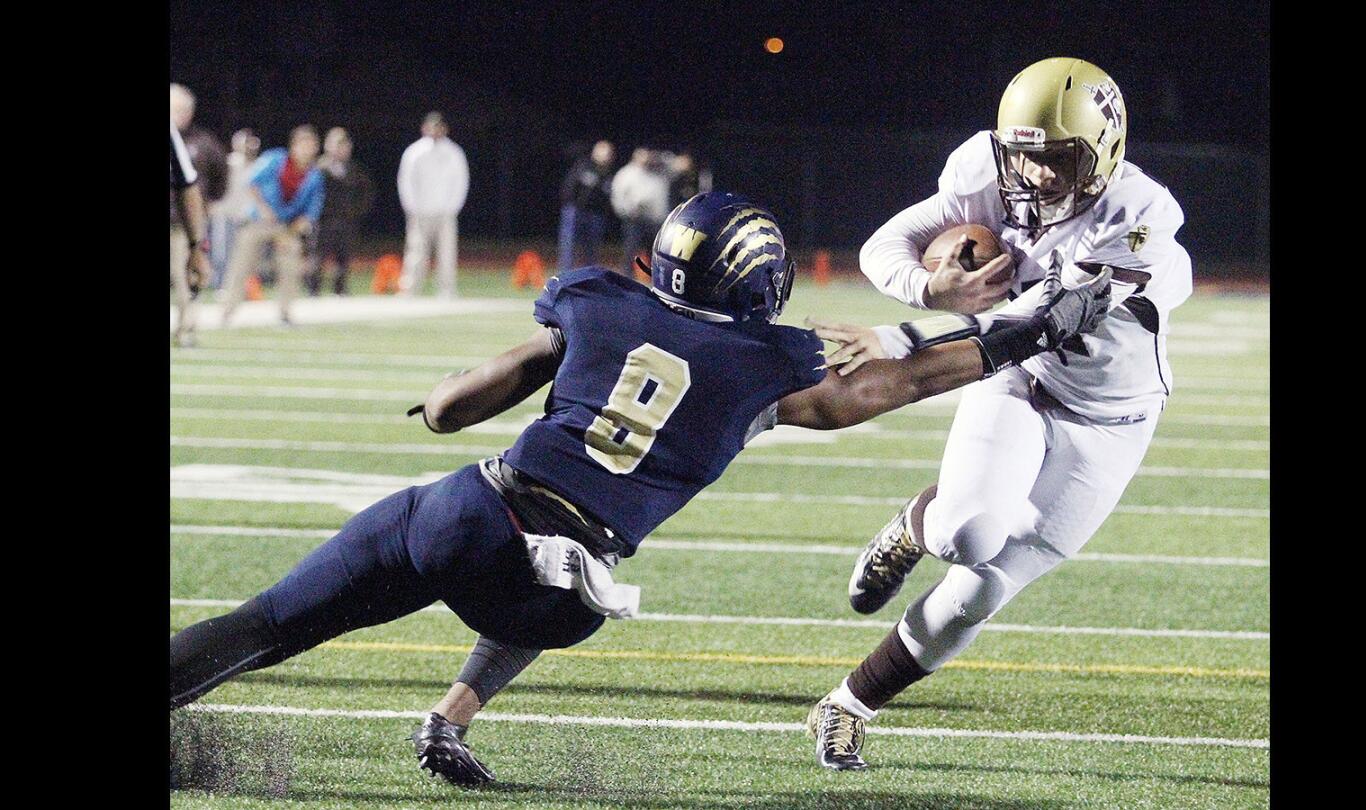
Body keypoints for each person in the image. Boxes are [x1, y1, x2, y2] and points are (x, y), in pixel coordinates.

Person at [168, 191, 1110, 788]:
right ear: (762, 287)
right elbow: (893, 384)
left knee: (270, 624)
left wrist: (447, 400)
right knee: (563, 569)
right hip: (562, 586)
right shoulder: (762, 363)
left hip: (466, 509)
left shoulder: (596, 299)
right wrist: (1021, 333)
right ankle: (452, 716)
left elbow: (457, 407)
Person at [800, 57, 1193, 771]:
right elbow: (881, 247)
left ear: (1102, 154)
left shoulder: (1140, 218)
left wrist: (895, 338)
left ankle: (846, 704)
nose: (1034, 175)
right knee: (966, 534)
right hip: (1017, 382)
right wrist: (931, 288)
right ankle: (923, 521)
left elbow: (1042, 321)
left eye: (1056, 159)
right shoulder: (985, 169)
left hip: (1112, 418)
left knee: (981, 589)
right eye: (1023, 155)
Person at [221, 125, 326, 326]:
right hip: (259, 222)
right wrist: (263, 209)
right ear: (294, 145)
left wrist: (293, 230)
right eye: (304, 144)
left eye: (311, 146)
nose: (308, 150)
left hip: (286, 227)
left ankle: (285, 313)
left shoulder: (314, 176)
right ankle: (227, 311)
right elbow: (251, 182)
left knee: (290, 264)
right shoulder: (275, 159)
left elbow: (311, 212)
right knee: (241, 264)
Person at [398, 112, 469, 298]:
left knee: (447, 253)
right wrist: (411, 207)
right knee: (416, 252)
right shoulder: (414, 152)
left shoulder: (454, 152)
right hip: (420, 211)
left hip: (445, 211)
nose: (435, 130)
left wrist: (453, 207)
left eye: (439, 126)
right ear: (424, 128)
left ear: (444, 129)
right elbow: (406, 181)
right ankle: (410, 289)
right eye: (432, 126)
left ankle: (446, 289)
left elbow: (461, 181)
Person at [308, 127, 374, 296]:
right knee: (318, 257)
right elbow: (309, 195)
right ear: (328, 146)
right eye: (337, 144)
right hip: (324, 221)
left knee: (343, 258)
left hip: (347, 221)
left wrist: (356, 211)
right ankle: (313, 291)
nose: (341, 148)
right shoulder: (318, 168)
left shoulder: (354, 170)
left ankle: (340, 290)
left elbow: (366, 193)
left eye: (344, 144)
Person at [169, 119, 214, 347]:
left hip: (175, 224)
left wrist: (196, 246)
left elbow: (188, 186)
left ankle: (186, 328)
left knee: (183, 282)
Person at [212, 128, 262, 290]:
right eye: (245, 142)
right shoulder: (230, 163)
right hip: (227, 213)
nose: (249, 145)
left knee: (244, 255)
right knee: (223, 253)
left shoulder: (258, 165)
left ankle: (243, 286)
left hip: (248, 216)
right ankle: (222, 286)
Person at [556, 140, 615, 273]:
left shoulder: (609, 174)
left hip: (595, 215)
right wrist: (570, 205)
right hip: (576, 211)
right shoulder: (583, 166)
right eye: (603, 153)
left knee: (592, 249)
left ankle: (589, 278)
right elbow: (569, 187)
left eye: (608, 154)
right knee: (569, 247)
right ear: (595, 153)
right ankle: (564, 277)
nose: (605, 156)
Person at [609, 148, 672, 269]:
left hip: (654, 220)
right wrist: (626, 211)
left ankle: (657, 279)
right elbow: (617, 195)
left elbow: (676, 164)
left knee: (656, 252)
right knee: (630, 250)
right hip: (634, 219)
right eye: (642, 156)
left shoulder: (658, 172)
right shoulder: (626, 173)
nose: (646, 159)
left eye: (648, 156)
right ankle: (627, 278)